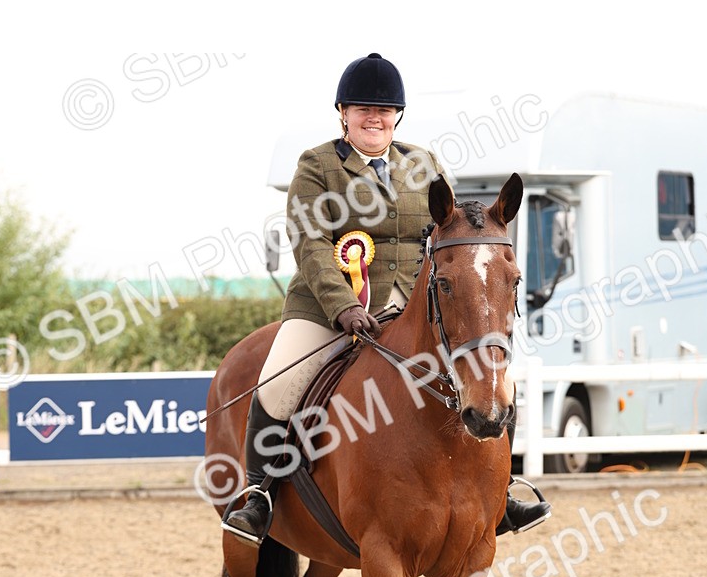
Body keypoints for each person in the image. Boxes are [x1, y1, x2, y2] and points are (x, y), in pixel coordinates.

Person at [222, 53, 550, 545]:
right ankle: (259, 495)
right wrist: (343, 304)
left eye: (383, 109)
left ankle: (499, 495)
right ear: (343, 113)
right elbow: (310, 244)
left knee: (489, 375)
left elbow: (449, 234)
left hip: (413, 307)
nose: (373, 117)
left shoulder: (422, 164)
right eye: (361, 108)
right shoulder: (317, 166)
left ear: (397, 115)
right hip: (330, 308)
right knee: (278, 382)